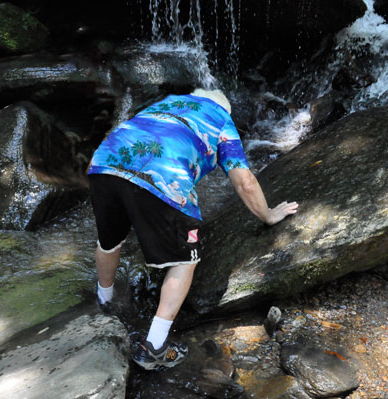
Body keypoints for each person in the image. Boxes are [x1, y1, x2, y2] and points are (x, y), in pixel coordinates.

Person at [87, 88, 298, 371]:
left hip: (103, 164)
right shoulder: (221, 119)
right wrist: (268, 215)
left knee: (110, 242)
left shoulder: (169, 102)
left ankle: (105, 303)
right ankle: (154, 348)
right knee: (185, 260)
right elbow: (244, 181)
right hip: (162, 177)